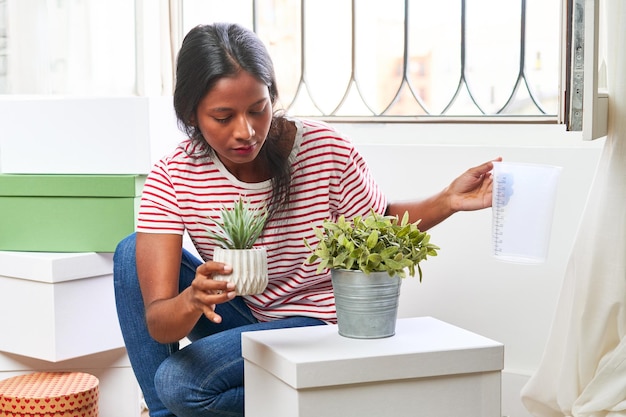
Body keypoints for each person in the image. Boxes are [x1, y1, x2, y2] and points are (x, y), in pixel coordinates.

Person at [113, 22, 500, 417]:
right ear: (191, 114)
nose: (246, 131)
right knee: (130, 253)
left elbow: (377, 224)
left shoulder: (323, 150)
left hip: (316, 323)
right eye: (223, 116)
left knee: (181, 384)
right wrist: (192, 299)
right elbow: (160, 324)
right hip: (245, 317)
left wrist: (447, 200)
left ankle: (332, 401)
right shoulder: (173, 175)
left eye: (257, 109)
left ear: (272, 97)